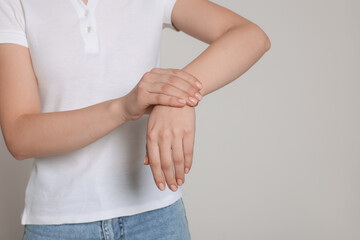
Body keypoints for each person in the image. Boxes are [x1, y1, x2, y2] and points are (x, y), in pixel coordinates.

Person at [0, 0, 271, 239]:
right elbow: (20, 135)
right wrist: (124, 107)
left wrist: (173, 97)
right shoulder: (14, 4)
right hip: (59, 224)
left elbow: (251, 37)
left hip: (157, 219)